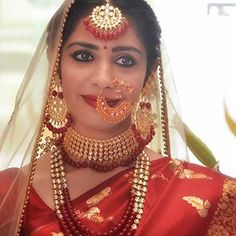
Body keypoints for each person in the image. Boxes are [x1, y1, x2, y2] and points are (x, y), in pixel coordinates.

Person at [0, 0, 235, 235]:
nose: (103, 79)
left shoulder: (215, 198)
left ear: (150, 75)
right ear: (55, 63)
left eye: (125, 60)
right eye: (83, 56)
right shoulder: (7, 195)